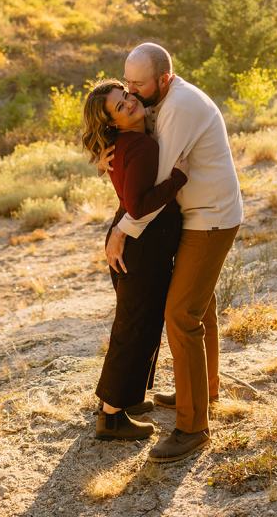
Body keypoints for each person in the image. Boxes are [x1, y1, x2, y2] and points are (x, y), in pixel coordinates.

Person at [103, 43, 244, 463]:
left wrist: (120, 233)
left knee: (180, 314)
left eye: (138, 85)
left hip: (211, 217)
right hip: (194, 216)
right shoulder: (156, 102)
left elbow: (156, 187)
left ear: (164, 79)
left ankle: (193, 427)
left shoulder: (179, 106)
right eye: (126, 83)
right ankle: (206, 389)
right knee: (199, 306)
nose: (131, 93)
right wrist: (107, 152)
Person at [82, 78, 188, 442]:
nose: (129, 103)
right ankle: (111, 417)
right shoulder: (139, 146)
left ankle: (123, 399)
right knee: (134, 327)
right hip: (141, 248)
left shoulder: (126, 142)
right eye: (118, 106)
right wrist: (178, 178)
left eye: (126, 96)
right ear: (112, 122)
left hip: (137, 245)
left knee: (137, 325)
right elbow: (140, 205)